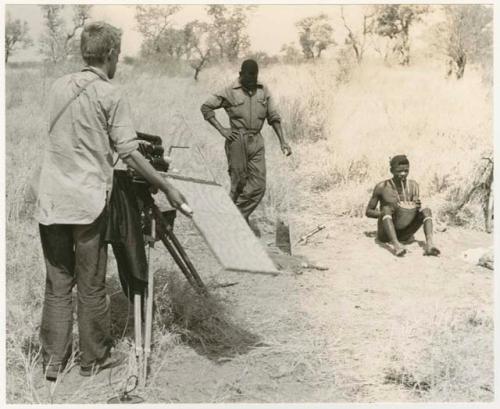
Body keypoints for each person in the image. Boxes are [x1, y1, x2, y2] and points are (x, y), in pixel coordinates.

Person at [35, 21, 190, 381]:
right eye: (117, 55)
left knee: (57, 282)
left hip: (52, 200)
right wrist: (165, 186)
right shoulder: (111, 94)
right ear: (110, 55)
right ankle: (94, 360)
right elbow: (131, 153)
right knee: (90, 283)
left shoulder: (58, 86)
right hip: (87, 202)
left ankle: (53, 363)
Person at [200, 59, 292, 232]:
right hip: (237, 139)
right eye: (247, 76)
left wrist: (283, 141)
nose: (251, 80)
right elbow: (206, 107)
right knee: (238, 184)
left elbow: (274, 117)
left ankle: (234, 218)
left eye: (254, 77)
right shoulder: (229, 91)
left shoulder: (263, 91)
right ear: (240, 74)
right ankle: (234, 225)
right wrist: (222, 130)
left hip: (256, 140)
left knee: (259, 186)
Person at [365, 155, 440, 257]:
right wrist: (385, 214)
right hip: (385, 234)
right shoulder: (382, 187)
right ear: (391, 171)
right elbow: (368, 212)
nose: (403, 174)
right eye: (399, 171)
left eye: (406, 171)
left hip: (405, 234)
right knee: (386, 209)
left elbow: (413, 210)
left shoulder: (413, 186)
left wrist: (416, 207)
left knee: (427, 211)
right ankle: (396, 245)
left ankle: (430, 245)